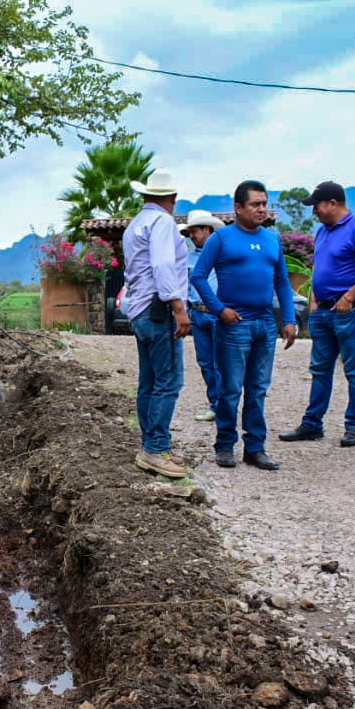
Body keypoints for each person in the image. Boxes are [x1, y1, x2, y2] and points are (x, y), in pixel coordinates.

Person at [190, 181, 297, 470]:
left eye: (264, 203)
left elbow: (282, 282)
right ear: (238, 208)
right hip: (234, 323)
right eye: (255, 204)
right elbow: (198, 276)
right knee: (231, 388)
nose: (262, 209)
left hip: (265, 322)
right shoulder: (221, 239)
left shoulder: (272, 240)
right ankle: (225, 445)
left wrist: (288, 318)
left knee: (258, 388)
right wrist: (219, 309)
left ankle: (255, 448)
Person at [279, 181, 355, 448]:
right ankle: (312, 424)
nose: (314, 211)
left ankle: (354, 426)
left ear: (333, 203)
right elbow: (321, 266)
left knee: (354, 370)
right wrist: (314, 297)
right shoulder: (323, 231)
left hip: (348, 308)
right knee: (320, 369)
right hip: (324, 310)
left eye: (317, 205)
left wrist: (350, 296)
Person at [122, 169, 192, 479]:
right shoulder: (163, 223)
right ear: (172, 199)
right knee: (169, 381)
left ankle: (151, 445)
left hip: (139, 310)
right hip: (159, 310)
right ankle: (155, 448)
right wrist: (178, 307)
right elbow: (164, 265)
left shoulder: (135, 224)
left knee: (149, 381)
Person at [180, 210, 226, 422]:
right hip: (197, 314)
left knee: (220, 363)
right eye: (189, 232)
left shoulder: (223, 254)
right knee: (206, 362)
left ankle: (224, 405)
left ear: (207, 230)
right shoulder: (188, 258)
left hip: (217, 314)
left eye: (195, 231)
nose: (191, 236)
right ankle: (215, 404)